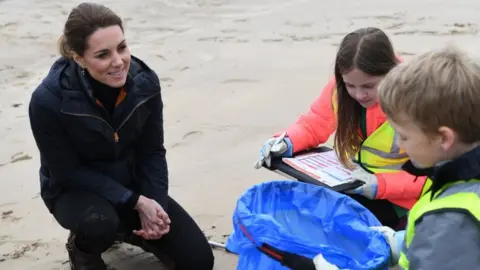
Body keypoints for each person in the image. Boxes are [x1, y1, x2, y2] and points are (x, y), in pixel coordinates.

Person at [28, 3, 214, 270]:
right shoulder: (47, 101)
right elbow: (66, 172)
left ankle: (129, 230)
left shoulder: (146, 84)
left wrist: (155, 207)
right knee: (99, 223)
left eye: (122, 48)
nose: (118, 62)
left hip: (131, 185)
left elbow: (152, 152)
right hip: (75, 191)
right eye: (103, 55)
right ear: (78, 57)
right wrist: (135, 202)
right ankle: (83, 249)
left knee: (199, 262)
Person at [254, 27, 429, 228]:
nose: (359, 94)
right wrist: (286, 142)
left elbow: (437, 175)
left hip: (405, 203)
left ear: (391, 72)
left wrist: (380, 185)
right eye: (350, 86)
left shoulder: (417, 98)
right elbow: (315, 122)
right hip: (357, 185)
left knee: (329, 223)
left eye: (369, 86)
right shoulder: (340, 86)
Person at [372, 46, 480, 269]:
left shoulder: (451, 221)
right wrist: (403, 242)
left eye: (403, 136)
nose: (400, 146)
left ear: (444, 137)